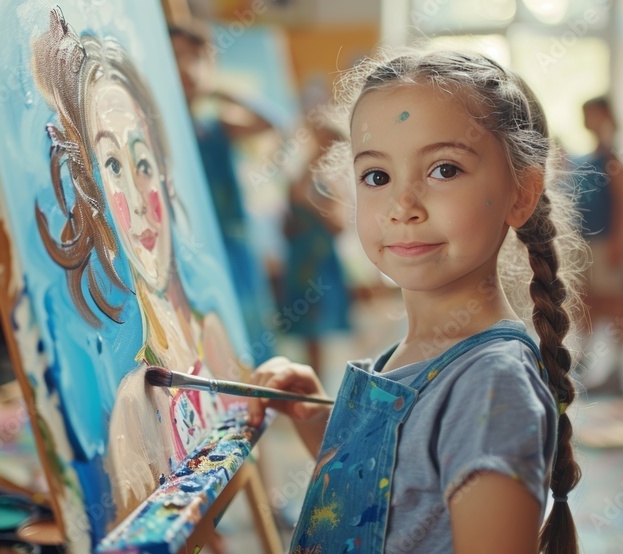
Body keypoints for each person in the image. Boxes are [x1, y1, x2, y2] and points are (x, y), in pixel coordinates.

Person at [246, 50, 585, 553]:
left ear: (521, 194)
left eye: (444, 170)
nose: (403, 206)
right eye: (377, 177)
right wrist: (317, 417)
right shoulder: (408, 353)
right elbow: (395, 497)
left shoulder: (492, 388)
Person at [31, 8, 245, 519]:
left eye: (143, 162)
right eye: (111, 165)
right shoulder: (133, 406)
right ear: (91, 195)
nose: (140, 196)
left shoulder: (213, 340)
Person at [170, 23, 278, 364]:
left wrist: (222, 93)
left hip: (232, 240)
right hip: (185, 244)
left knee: (247, 322)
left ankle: (258, 395)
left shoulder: (215, 126)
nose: (187, 68)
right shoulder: (159, 127)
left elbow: (269, 122)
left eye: (196, 57)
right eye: (176, 57)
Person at [573, 97, 623, 390]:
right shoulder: (587, 158)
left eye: (594, 115)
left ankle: (618, 368)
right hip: (585, 242)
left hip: (605, 241)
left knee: (613, 303)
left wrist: (619, 241)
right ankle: (583, 359)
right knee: (586, 302)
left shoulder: (612, 159)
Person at [281, 123, 353, 372]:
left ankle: (315, 381)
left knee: (317, 329)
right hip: (301, 262)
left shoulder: (333, 184)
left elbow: (338, 223)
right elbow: (292, 210)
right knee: (304, 329)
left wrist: (312, 205)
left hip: (320, 263)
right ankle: (305, 378)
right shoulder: (303, 175)